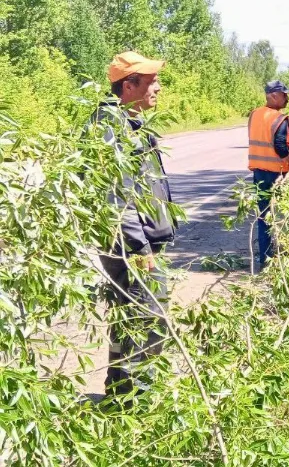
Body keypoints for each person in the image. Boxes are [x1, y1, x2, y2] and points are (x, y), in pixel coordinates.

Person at [90, 51, 177, 398]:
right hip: (131, 249)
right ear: (129, 85)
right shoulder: (110, 126)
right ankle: (134, 399)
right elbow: (116, 195)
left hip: (140, 246)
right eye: (151, 81)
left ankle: (124, 393)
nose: (157, 87)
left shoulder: (130, 124)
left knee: (136, 316)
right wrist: (140, 249)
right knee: (146, 317)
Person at [247, 80, 289, 269]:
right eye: (284, 94)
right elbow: (280, 147)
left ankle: (265, 259)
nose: (287, 98)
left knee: (264, 216)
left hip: (259, 173)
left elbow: (267, 137)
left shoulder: (255, 115)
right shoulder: (279, 118)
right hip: (279, 175)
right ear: (273, 95)